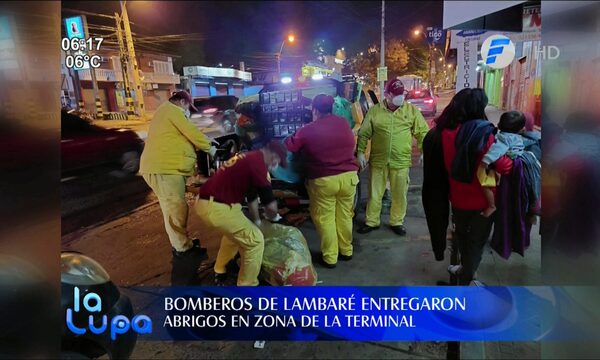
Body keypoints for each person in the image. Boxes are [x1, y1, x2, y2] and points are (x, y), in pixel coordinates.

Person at [422, 88, 512, 285]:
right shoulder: (484, 133)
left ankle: (463, 270)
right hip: (483, 200)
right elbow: (501, 165)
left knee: (462, 236)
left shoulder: (444, 133)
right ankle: (468, 279)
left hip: (458, 197)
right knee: (476, 243)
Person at [195, 141, 287, 286]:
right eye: (277, 161)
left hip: (207, 203)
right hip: (219, 208)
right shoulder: (259, 164)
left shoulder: (248, 158)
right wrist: (276, 217)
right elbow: (268, 201)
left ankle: (220, 269)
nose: (275, 166)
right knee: (255, 242)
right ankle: (247, 287)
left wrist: (256, 221)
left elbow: (251, 197)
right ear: (273, 155)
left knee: (235, 236)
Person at [284, 94, 360, 268]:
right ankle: (346, 250)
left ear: (315, 110)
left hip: (324, 181)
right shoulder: (343, 123)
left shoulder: (307, 130)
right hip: (349, 178)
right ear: (331, 108)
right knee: (345, 215)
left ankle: (330, 257)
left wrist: (293, 135)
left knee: (326, 218)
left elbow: (290, 146)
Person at [140, 91, 218, 258]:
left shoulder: (166, 112)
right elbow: (191, 131)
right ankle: (182, 248)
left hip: (163, 168)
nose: (188, 111)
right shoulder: (171, 110)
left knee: (172, 209)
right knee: (176, 209)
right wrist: (211, 148)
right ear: (182, 101)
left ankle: (181, 243)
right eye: (188, 107)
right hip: (164, 169)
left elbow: (181, 138)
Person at [356, 79, 429, 235]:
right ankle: (372, 221)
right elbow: (364, 133)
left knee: (399, 194)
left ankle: (396, 221)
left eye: (401, 94)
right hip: (379, 160)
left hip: (401, 161)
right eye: (395, 94)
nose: (400, 98)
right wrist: (361, 152)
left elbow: (423, 132)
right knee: (375, 193)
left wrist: (425, 151)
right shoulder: (375, 111)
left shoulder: (410, 111)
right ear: (387, 95)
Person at [478, 111, 526, 218]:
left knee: (484, 183)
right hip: (515, 162)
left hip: (508, 160)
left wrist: (485, 161)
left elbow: (497, 150)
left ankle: (491, 206)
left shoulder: (504, 138)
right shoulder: (516, 137)